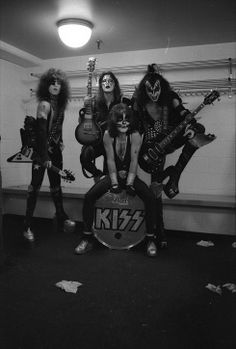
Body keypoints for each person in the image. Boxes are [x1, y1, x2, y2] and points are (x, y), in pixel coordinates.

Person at [133, 63, 216, 247]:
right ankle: (157, 231)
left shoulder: (170, 98)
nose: (153, 93)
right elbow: (134, 127)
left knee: (197, 130)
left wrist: (188, 125)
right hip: (150, 151)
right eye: (149, 90)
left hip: (170, 140)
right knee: (156, 190)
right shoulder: (139, 103)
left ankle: (175, 172)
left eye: (157, 89)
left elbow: (183, 112)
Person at [75, 103, 162, 257]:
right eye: (119, 119)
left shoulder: (135, 135)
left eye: (126, 119)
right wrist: (114, 182)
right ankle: (87, 238)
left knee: (150, 198)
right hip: (113, 175)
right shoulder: (108, 134)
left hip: (130, 175)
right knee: (89, 197)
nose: (123, 122)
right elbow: (110, 160)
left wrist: (129, 183)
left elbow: (134, 160)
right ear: (113, 120)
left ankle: (150, 239)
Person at [23, 68, 75, 242]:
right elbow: (40, 132)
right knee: (35, 186)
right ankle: (27, 226)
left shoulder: (60, 106)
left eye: (59, 83)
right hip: (41, 152)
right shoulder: (44, 104)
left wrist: (60, 141)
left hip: (55, 151)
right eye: (52, 82)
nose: (55, 86)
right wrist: (44, 156)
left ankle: (61, 217)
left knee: (56, 184)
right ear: (46, 85)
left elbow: (57, 127)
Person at [79, 71, 131, 182]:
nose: (107, 83)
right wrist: (85, 107)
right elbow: (83, 123)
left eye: (110, 80)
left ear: (115, 84)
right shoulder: (94, 102)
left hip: (115, 142)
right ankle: (99, 176)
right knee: (84, 157)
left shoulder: (123, 101)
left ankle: (109, 189)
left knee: (111, 173)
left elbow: (130, 122)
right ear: (101, 85)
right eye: (104, 81)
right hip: (98, 141)